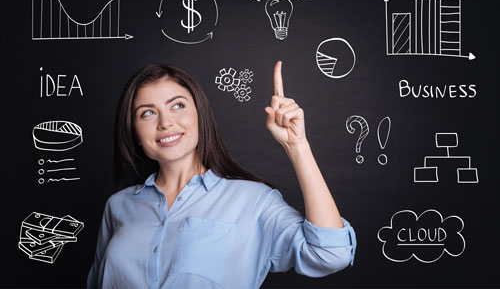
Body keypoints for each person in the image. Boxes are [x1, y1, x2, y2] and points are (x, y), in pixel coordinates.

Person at [87, 61, 356, 288]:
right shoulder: (118, 206)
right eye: (147, 113)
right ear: (134, 132)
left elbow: (331, 253)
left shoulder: (253, 201)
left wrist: (296, 146)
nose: (165, 122)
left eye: (177, 106)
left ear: (199, 115)